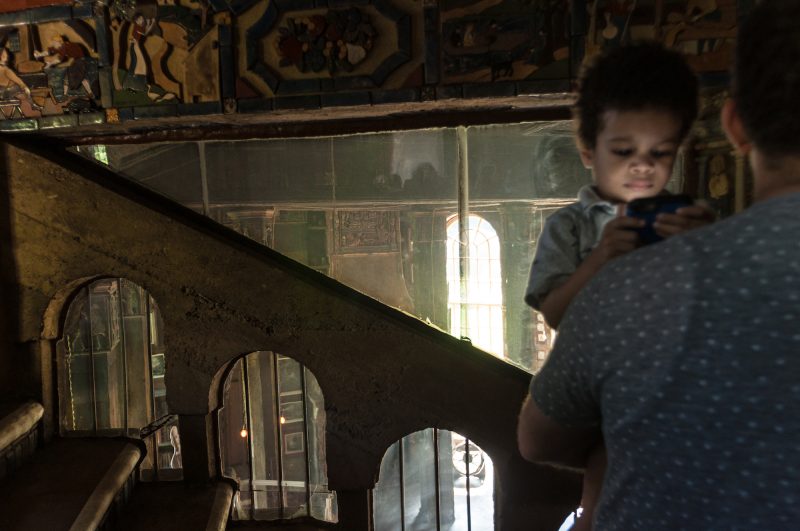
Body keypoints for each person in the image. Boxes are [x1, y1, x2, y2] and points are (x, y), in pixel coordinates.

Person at [517, 1, 800, 529]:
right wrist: (604, 257)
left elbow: (539, 439)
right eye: (623, 151)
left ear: (734, 124)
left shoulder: (676, 249)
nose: (643, 167)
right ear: (588, 151)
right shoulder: (574, 228)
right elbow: (554, 310)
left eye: (660, 153)